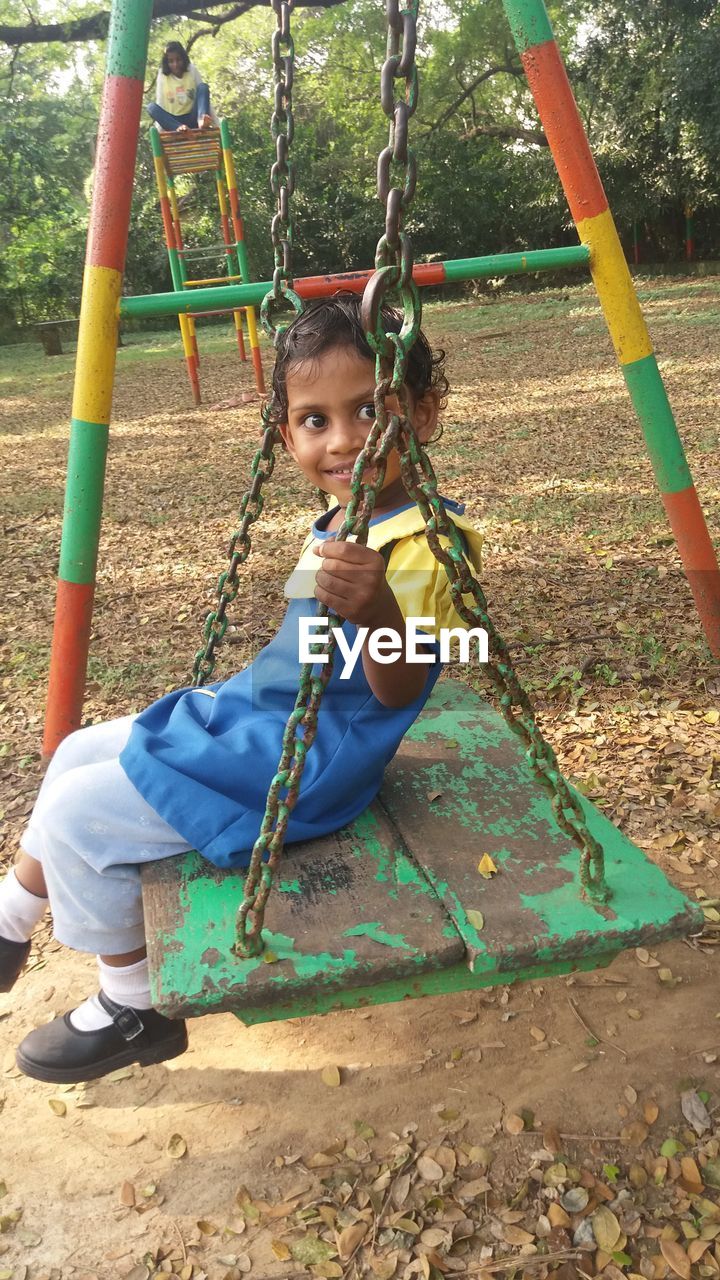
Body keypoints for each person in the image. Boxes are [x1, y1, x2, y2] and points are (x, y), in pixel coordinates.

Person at [0, 295, 483, 1085]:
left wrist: (382, 606)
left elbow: (398, 690)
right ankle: (12, 919)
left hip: (309, 761)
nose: (345, 439)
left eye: (370, 411)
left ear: (423, 414)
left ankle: (135, 1007)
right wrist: (232, 698)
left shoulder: (430, 546)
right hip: (261, 714)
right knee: (79, 749)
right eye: (315, 419)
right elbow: (301, 639)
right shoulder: (337, 519)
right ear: (286, 433)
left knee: (80, 814)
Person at [146, 41, 214, 133]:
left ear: (183, 58)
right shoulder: (162, 75)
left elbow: (203, 98)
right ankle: (179, 128)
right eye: (171, 61)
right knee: (151, 107)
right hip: (174, 122)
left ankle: (202, 121)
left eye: (178, 60)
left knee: (203, 87)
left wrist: (215, 123)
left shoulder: (191, 69)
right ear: (167, 63)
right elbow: (160, 102)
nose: (175, 64)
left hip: (193, 118)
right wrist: (160, 133)